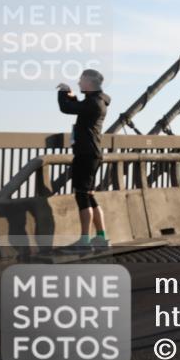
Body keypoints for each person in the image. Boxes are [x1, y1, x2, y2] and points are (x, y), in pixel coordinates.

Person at [57, 69, 111, 250]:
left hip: (86, 154)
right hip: (92, 153)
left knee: (82, 196)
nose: (79, 83)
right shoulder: (97, 101)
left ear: (89, 83)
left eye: (81, 80)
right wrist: (72, 96)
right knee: (89, 195)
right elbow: (79, 106)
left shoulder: (94, 103)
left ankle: (85, 240)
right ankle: (101, 237)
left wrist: (63, 92)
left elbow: (67, 109)